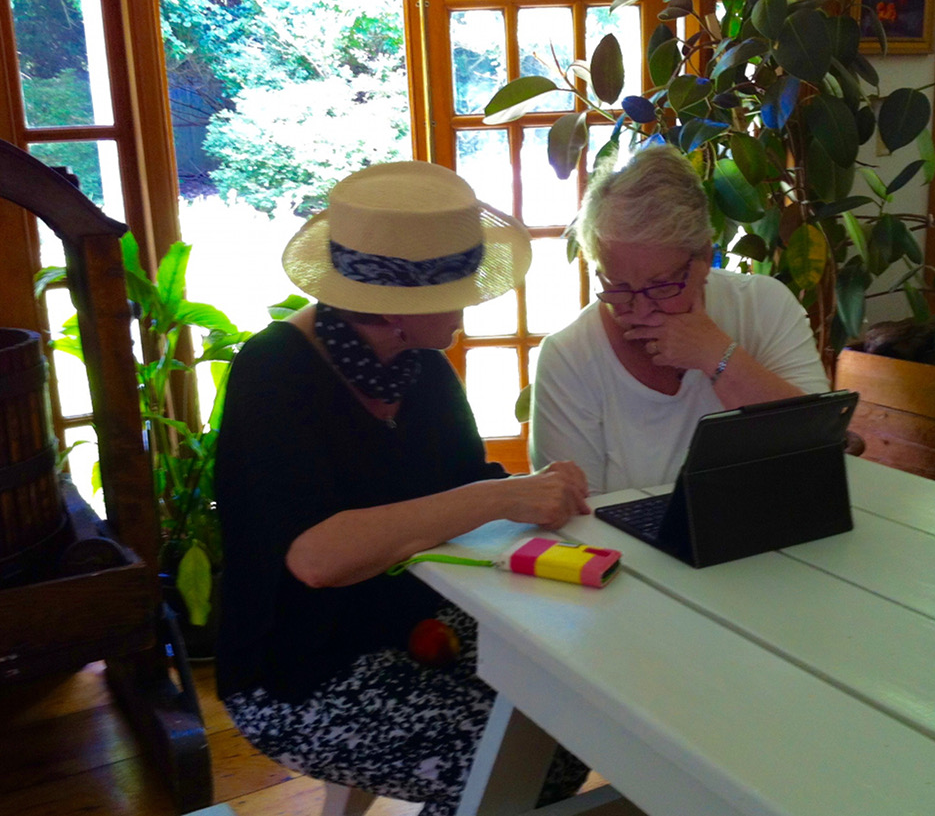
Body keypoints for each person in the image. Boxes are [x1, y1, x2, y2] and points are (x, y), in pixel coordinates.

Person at [214, 161, 591, 815]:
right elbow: (316, 557)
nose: (471, 304)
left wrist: (536, 491)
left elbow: (461, 484)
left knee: (572, 718)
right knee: (531, 768)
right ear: (397, 309)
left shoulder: (420, 369)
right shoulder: (273, 373)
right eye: (457, 289)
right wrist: (501, 497)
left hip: (417, 620)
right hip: (298, 669)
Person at [529, 143, 831, 494]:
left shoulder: (763, 306)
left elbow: (818, 447)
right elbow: (576, 514)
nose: (641, 310)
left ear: (704, 257)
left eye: (661, 286)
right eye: (619, 288)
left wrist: (718, 357)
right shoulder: (568, 357)